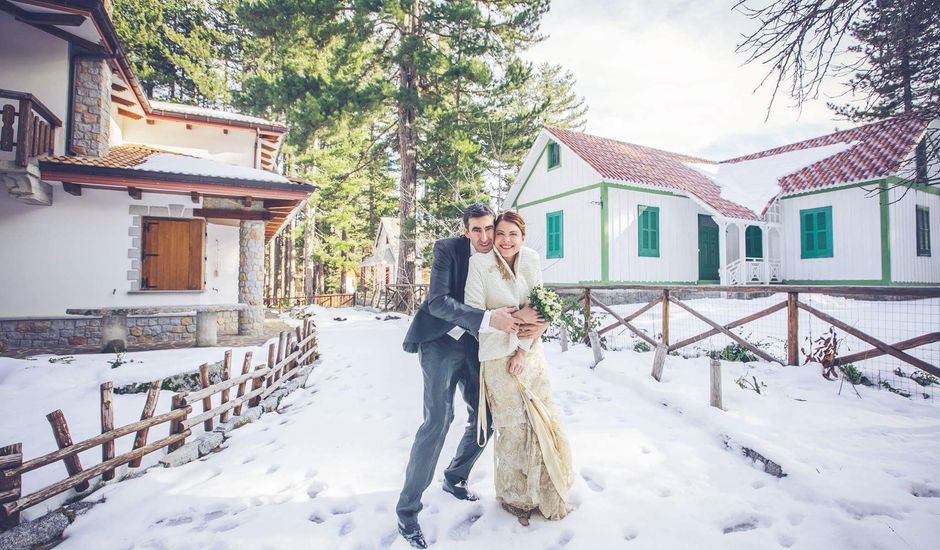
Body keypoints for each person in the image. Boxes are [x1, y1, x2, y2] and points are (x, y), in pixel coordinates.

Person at [397, 203, 542, 549]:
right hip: (440, 342)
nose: (484, 236)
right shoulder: (448, 249)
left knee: (486, 417)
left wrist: (525, 336)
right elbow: (438, 302)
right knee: (438, 420)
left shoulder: (504, 251)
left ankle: (455, 477)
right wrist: (490, 319)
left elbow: (525, 295)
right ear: (465, 230)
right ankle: (407, 512)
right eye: (475, 230)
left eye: (489, 229)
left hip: (477, 347)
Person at [464, 210, 573, 525]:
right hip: (497, 357)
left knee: (544, 421)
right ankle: (517, 499)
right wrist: (513, 317)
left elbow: (539, 309)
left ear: (522, 237)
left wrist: (523, 349)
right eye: (500, 234)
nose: (505, 240)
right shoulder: (480, 265)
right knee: (514, 430)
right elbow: (474, 313)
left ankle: (547, 491)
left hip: (530, 353)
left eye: (513, 234)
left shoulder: (530, 260)